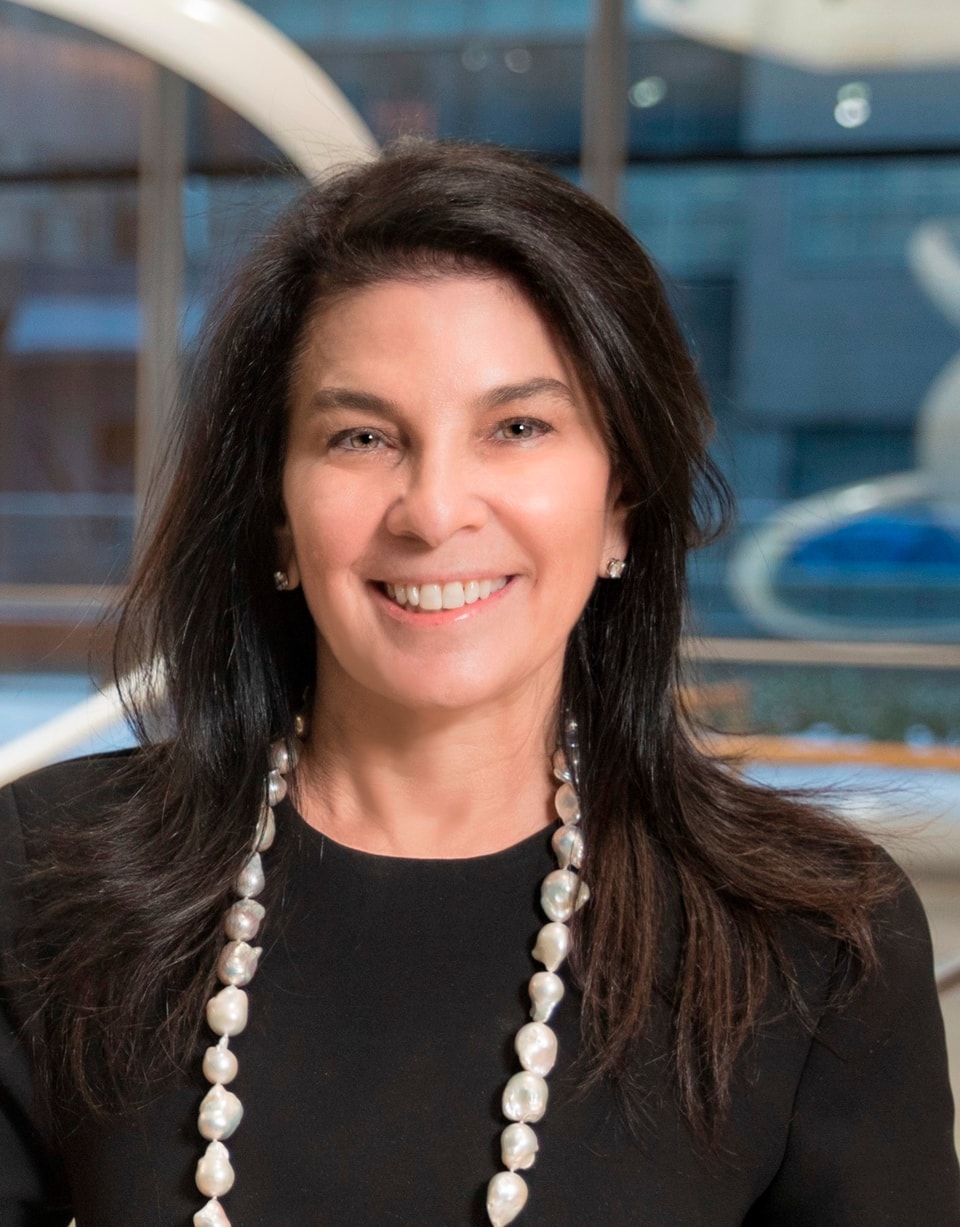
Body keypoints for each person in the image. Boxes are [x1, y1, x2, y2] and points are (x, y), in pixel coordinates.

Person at [0, 140, 957, 1227]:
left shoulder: (816, 939)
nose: (434, 508)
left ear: (619, 507)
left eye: (517, 428)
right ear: (276, 512)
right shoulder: (42, 879)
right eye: (361, 436)